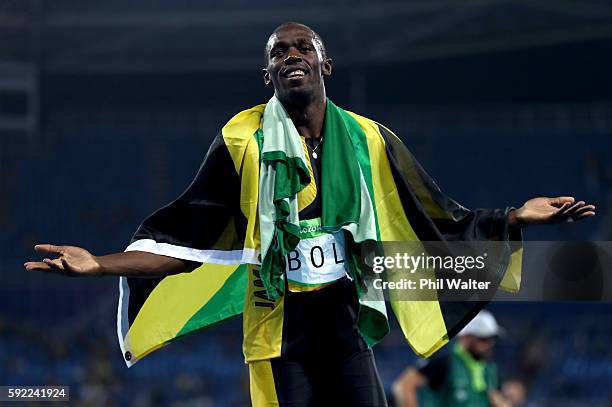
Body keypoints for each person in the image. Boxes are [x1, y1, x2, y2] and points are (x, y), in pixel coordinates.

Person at [25, 22, 595, 407]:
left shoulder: (370, 139)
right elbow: (188, 241)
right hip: (279, 331)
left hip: (347, 325)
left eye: (302, 48)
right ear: (267, 75)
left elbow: (436, 220)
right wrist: (99, 265)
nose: (291, 56)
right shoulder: (241, 140)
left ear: (326, 62)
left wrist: (514, 220)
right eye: (278, 53)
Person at [392, 310, 513, 407]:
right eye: (483, 339)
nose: (489, 344)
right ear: (465, 338)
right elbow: (404, 385)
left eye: (492, 338)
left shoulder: (490, 370)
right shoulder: (445, 362)